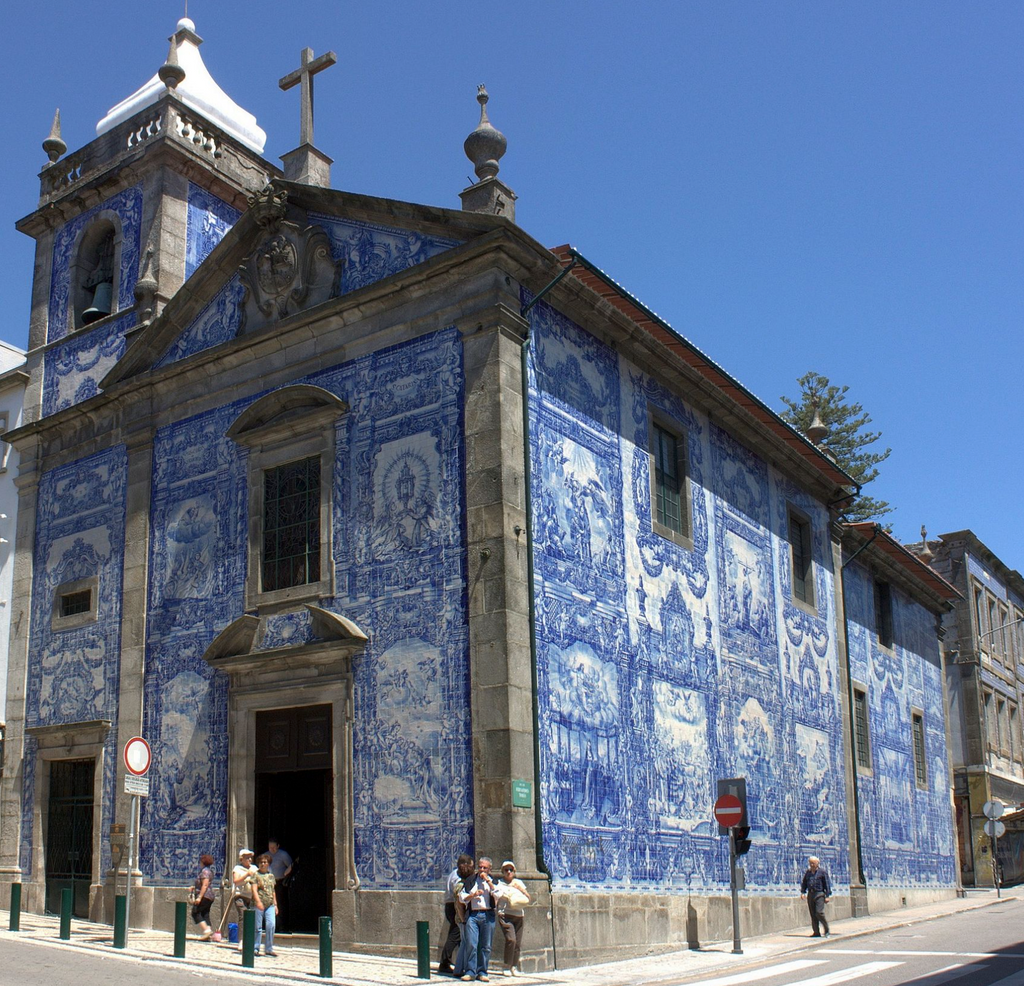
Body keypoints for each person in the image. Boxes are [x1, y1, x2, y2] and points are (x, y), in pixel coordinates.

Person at [457, 855, 497, 982]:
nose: (482, 870)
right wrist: (473, 895)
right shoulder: (471, 880)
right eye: (480, 867)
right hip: (473, 915)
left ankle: (482, 971)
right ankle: (470, 971)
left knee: (486, 946)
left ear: (489, 869)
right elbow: (462, 898)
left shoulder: (494, 881)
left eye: (485, 868)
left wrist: (488, 882)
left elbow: (499, 894)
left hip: (487, 915)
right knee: (471, 944)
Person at [439, 854, 476, 975]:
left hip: (451, 905)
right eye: (471, 866)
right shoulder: (457, 878)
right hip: (454, 906)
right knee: (455, 935)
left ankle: (462, 963)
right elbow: (459, 896)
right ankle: (444, 962)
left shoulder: (455, 874)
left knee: (459, 936)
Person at [495, 860, 530, 976]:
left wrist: (520, 889)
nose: (508, 872)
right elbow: (495, 897)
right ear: (502, 872)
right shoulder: (499, 884)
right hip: (505, 915)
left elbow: (528, 898)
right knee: (511, 940)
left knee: (517, 943)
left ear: (514, 871)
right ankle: (506, 966)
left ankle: (514, 966)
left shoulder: (518, 882)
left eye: (511, 870)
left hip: (519, 915)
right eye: (506, 870)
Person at [231, 848, 259, 948]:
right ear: (241, 859)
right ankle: (241, 941)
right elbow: (236, 881)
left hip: (250, 896)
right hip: (240, 895)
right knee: (242, 916)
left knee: (251, 918)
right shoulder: (237, 869)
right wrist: (247, 875)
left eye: (250, 858)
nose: (250, 860)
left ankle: (250, 940)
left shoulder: (254, 868)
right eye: (247, 858)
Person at [253, 853, 279, 956]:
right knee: (258, 927)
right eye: (261, 862)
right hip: (259, 904)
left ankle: (269, 948)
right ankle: (256, 947)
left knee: (271, 925)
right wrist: (258, 901)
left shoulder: (271, 876)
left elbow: (273, 891)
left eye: (265, 862)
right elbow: (254, 889)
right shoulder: (255, 875)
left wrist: (276, 904)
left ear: (268, 864)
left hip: (270, 904)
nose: (263, 864)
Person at [800, 855, 832, 937]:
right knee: (813, 914)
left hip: (819, 894)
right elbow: (804, 883)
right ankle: (816, 932)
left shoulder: (822, 872)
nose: (811, 865)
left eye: (813, 863)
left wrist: (827, 895)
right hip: (810, 894)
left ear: (817, 863)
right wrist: (803, 892)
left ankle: (826, 929)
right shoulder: (808, 873)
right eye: (810, 863)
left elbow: (827, 884)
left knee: (819, 912)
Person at [267, 839, 293, 932]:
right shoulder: (266, 855)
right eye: (270, 847)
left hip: (280, 882)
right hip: (269, 883)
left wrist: (287, 872)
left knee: (280, 904)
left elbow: (291, 864)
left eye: (274, 847)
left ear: (278, 846)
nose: (272, 849)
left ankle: (282, 926)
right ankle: (271, 926)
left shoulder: (283, 855)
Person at [190, 853, 216, 940]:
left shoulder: (205, 872)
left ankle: (206, 931)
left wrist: (199, 897)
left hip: (205, 895)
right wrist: (194, 887)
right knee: (205, 914)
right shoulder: (209, 871)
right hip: (210, 896)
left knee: (195, 912)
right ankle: (208, 933)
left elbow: (205, 885)